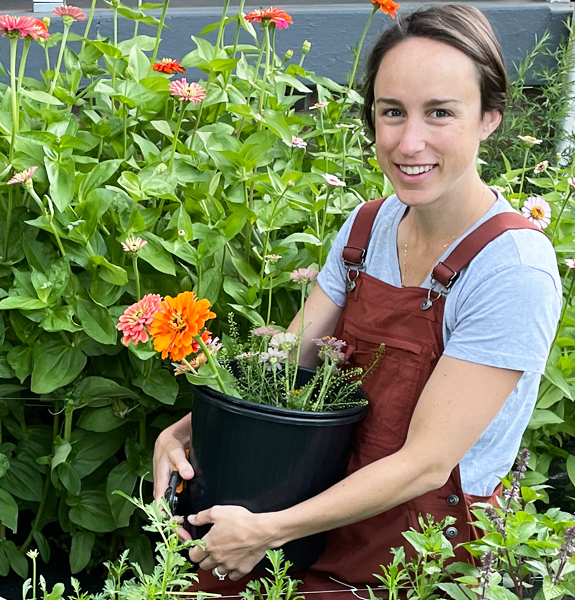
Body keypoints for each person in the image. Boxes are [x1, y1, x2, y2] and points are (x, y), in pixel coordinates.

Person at [153, 4, 562, 598]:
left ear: (490, 118)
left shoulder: (511, 269)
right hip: (316, 500)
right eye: (391, 112)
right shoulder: (368, 227)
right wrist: (190, 430)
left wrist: (266, 530)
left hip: (423, 549)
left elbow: (425, 463)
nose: (408, 140)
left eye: (440, 113)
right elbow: (292, 365)